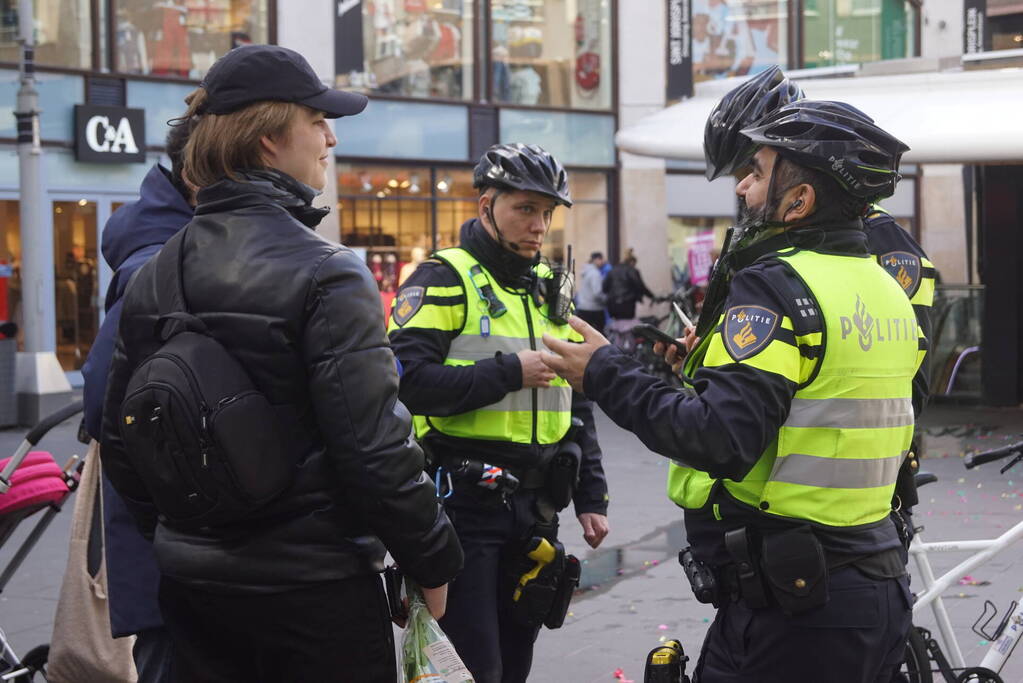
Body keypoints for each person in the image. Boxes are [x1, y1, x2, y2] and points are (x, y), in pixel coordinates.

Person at [99, 44, 462, 683]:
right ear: (269, 139)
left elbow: (121, 439)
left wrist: (191, 532)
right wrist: (433, 560)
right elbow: (375, 447)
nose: (330, 136)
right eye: (316, 119)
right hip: (313, 595)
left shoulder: (156, 274)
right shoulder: (328, 272)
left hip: (194, 594)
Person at [542, 99, 924, 682]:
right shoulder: (885, 286)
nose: (743, 187)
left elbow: (720, 439)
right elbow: (818, 398)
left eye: (759, 172)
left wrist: (601, 370)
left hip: (794, 614)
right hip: (872, 587)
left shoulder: (777, 284)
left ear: (799, 201)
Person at [387, 143, 610, 683]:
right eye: (525, 209)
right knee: (471, 665)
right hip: (465, 505)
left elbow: (575, 397)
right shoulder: (441, 278)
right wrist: (509, 372)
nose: (539, 225)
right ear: (486, 205)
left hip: (537, 507)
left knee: (515, 662)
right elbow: (405, 384)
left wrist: (592, 496)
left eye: (547, 212)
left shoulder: (551, 288)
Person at [704, 66, 936, 523]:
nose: (743, 187)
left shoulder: (884, 249)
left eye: (754, 167)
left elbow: (903, 385)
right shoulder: (786, 248)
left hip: (844, 510)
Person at [81, 119, 196, 682]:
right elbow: (106, 401)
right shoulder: (164, 262)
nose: (328, 139)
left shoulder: (165, 245)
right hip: (182, 550)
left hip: (173, 545)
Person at [602, 247, 655, 322]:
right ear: (632, 262)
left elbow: (604, 288)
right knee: (627, 326)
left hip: (612, 304)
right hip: (627, 304)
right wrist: (652, 296)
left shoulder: (613, 270)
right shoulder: (632, 270)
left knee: (617, 325)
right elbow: (640, 286)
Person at [575, 251, 606, 331]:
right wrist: (606, 300)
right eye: (601, 259)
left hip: (583, 307)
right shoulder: (595, 273)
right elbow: (597, 293)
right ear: (596, 260)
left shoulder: (586, 271)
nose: (603, 262)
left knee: (584, 335)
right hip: (594, 309)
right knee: (598, 337)